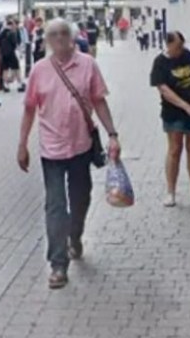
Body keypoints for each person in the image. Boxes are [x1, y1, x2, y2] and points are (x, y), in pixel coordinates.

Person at [18, 19, 122, 290]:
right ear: (47, 40)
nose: (60, 38)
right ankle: (58, 264)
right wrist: (21, 144)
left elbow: (99, 100)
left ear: (73, 37)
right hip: (51, 149)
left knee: (80, 199)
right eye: (54, 34)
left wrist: (112, 134)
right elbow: (29, 108)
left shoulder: (88, 64)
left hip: (80, 147)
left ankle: (74, 236)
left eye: (65, 33)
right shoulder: (39, 70)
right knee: (55, 206)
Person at [150, 32, 190, 207]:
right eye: (177, 47)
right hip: (173, 113)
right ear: (168, 46)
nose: (180, 50)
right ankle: (170, 191)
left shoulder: (187, 55)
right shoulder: (160, 62)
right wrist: (185, 106)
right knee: (175, 149)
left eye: (181, 46)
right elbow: (164, 90)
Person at [0, 18, 22, 92]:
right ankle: (20, 84)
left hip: (3, 53)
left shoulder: (2, 33)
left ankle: (5, 85)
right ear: (11, 25)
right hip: (11, 53)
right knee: (16, 68)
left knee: (5, 69)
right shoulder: (12, 33)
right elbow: (14, 43)